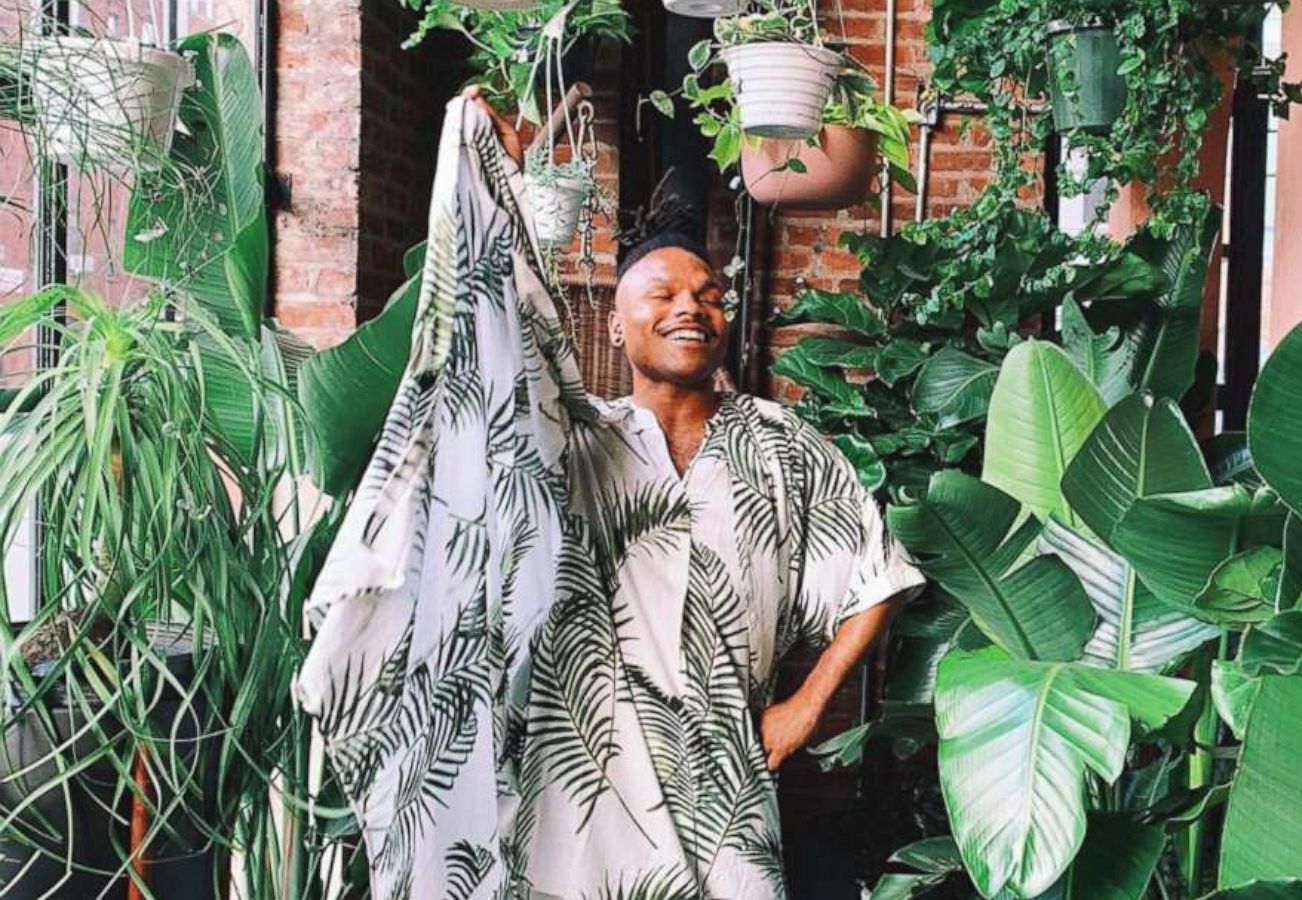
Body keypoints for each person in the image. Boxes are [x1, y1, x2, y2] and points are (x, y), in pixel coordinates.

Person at [295, 85, 924, 900]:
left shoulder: (780, 441)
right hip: (576, 798)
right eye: (661, 296)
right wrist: (494, 179)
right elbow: (497, 335)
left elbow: (877, 574)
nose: (690, 309)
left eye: (707, 296)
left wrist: (804, 706)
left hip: (723, 795)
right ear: (620, 326)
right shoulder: (575, 440)